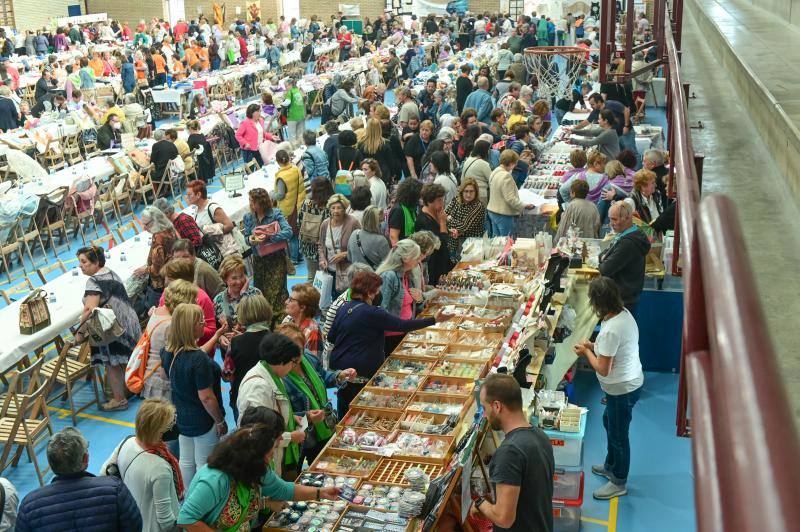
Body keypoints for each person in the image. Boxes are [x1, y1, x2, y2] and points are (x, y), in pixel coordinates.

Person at [177, 408, 340, 529]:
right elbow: (186, 518)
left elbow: (282, 489)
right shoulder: (215, 480)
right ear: (251, 458)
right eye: (269, 455)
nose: (269, 461)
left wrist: (320, 493)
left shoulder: (255, 469)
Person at [327, 271, 453, 416]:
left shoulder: (343, 308)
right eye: (378, 291)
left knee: (345, 412)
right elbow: (402, 325)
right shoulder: (373, 313)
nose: (379, 294)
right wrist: (433, 320)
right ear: (369, 293)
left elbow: (331, 337)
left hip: (341, 373)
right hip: (360, 373)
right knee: (360, 411)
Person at [574, 277, 644, 499]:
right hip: (624, 385)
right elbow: (611, 348)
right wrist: (594, 345)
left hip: (622, 390)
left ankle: (619, 481)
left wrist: (586, 352)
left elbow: (603, 368)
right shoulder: (622, 314)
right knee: (609, 423)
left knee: (618, 435)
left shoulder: (612, 328)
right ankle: (611, 465)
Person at [16, 427, 142, 532]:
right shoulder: (115, 490)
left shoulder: (29, 506)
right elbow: (135, 526)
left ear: (51, 463)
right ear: (85, 459)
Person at [472, 373, 554, 530]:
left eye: (484, 407)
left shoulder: (509, 453)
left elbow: (504, 519)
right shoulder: (540, 436)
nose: (484, 414)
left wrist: (480, 503)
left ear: (497, 406)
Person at [160, 303, 227, 486]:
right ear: (191, 327)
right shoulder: (199, 361)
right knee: (205, 465)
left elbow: (167, 373)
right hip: (203, 420)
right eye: (201, 322)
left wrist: (216, 335)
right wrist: (220, 421)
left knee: (187, 462)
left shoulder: (168, 352)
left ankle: (187, 497)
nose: (204, 324)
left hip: (182, 416)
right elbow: (206, 397)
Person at [76, 246, 141, 412]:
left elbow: (89, 310)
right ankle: (138, 387)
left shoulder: (93, 281)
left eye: (84, 262)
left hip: (112, 326)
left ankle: (119, 400)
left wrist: (80, 332)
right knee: (129, 358)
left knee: (111, 363)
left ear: (96, 262)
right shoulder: (110, 272)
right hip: (129, 321)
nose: (81, 266)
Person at [101, 398, 182, 531]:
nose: (173, 426)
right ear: (157, 431)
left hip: (134, 521)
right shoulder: (159, 467)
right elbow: (165, 520)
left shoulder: (127, 442)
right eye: (170, 424)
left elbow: (104, 474)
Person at [237, 333, 308, 479]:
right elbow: (256, 433)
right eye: (293, 362)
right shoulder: (258, 386)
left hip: (275, 453)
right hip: (262, 459)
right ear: (281, 361)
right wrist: (290, 437)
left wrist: (291, 417)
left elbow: (270, 412)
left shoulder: (273, 375)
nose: (294, 367)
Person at [140, 279, 197, 406]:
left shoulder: (156, 312)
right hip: (163, 383)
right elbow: (183, 354)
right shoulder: (172, 324)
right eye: (193, 300)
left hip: (151, 378)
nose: (195, 304)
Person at [244, 188, 292, 326]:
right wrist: (252, 240)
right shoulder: (248, 217)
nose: (251, 204)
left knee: (278, 293)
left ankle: (280, 324)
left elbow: (288, 232)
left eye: (254, 202)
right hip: (259, 261)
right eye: (250, 201)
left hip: (276, 259)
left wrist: (270, 237)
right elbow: (247, 237)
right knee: (261, 292)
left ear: (262, 202)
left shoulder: (275, 213)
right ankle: (266, 323)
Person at [224, 293, 273, 420]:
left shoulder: (235, 342)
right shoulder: (276, 339)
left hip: (242, 396)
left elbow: (227, 374)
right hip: (270, 396)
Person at [599, 202, 651, 310]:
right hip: (623, 295)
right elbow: (602, 255)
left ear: (627, 218)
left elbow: (605, 269)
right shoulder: (629, 233)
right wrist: (603, 258)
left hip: (621, 299)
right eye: (610, 219)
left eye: (614, 219)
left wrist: (604, 259)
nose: (611, 223)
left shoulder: (628, 243)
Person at [212, 255, 263, 349]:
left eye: (242, 276)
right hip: (232, 353)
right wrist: (220, 338)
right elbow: (213, 328)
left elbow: (264, 323)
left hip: (254, 348)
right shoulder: (218, 301)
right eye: (234, 278)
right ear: (225, 279)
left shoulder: (256, 294)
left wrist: (244, 294)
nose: (239, 282)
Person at [134, 205, 177, 312]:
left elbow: (157, 269)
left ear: (156, 220)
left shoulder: (158, 237)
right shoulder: (169, 228)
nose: (144, 228)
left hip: (161, 284)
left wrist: (144, 270)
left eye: (147, 225)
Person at [318, 194, 361, 300]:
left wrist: (345, 254)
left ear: (345, 208)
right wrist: (322, 259)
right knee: (331, 299)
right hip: (329, 270)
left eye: (339, 208)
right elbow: (321, 245)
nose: (336, 211)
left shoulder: (353, 223)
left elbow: (360, 246)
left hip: (347, 271)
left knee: (346, 299)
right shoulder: (325, 224)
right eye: (333, 208)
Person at [487, 150, 534, 237]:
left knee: (496, 241)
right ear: (511, 163)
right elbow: (510, 198)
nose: (516, 165)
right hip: (503, 213)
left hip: (492, 211)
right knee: (506, 241)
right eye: (515, 163)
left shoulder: (495, 171)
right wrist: (524, 205)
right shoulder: (506, 176)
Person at [273, 149, 306, 267]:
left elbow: (280, 195)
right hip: (298, 204)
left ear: (277, 161)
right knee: (297, 233)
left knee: (291, 235)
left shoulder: (281, 176)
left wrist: (272, 194)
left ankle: (293, 259)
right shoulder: (295, 169)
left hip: (288, 208)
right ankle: (299, 255)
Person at [414, 184, 451, 286]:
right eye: (439, 200)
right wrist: (443, 223)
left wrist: (449, 230)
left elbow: (441, 233)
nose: (442, 202)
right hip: (433, 266)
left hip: (443, 261)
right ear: (430, 201)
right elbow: (441, 244)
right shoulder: (424, 221)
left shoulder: (436, 212)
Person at [186, 179, 235, 253]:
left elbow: (229, 225)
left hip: (226, 251)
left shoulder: (212, 208)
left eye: (189, 195)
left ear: (198, 195)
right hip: (214, 251)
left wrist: (211, 233)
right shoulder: (196, 210)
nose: (187, 197)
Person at [446, 178, 487, 263]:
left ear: (476, 192)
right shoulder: (456, 199)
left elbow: (463, 226)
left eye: (471, 191)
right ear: (462, 191)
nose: (468, 194)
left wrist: (450, 219)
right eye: (466, 191)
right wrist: (452, 228)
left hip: (470, 245)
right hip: (453, 241)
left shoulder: (478, 206)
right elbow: (443, 215)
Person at [281, 283, 322, 357]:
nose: (286, 302)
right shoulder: (287, 319)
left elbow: (312, 363)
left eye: (291, 300)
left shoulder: (312, 332)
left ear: (302, 307)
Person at [348, 205, 390, 270]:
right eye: (381, 221)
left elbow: (349, 257)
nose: (383, 224)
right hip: (374, 278)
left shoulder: (354, 233)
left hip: (356, 277)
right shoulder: (381, 240)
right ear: (376, 222)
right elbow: (388, 265)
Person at [357, 118, 395, 185]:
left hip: (367, 175)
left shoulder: (361, 144)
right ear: (379, 128)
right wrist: (392, 175)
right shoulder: (385, 144)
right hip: (383, 175)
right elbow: (390, 162)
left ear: (367, 128)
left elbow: (360, 162)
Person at [387, 178, 423, 246]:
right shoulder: (398, 210)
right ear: (412, 196)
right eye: (419, 196)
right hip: (402, 252)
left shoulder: (411, 209)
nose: (420, 198)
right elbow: (393, 237)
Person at [236, 103, 271, 167]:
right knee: (250, 169)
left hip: (259, 148)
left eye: (260, 111)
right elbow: (238, 135)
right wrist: (245, 143)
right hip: (249, 151)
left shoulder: (261, 120)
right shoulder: (245, 123)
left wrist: (271, 137)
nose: (259, 113)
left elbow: (262, 133)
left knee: (262, 166)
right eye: (257, 111)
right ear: (252, 113)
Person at [462, 140, 492, 205]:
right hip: (480, 194)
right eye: (488, 149)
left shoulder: (468, 160)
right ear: (484, 150)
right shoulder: (484, 164)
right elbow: (491, 180)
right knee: (480, 214)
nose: (489, 151)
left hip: (468, 192)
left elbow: (462, 178)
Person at [150, 129, 180, 194]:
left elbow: (152, 161)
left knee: (149, 173)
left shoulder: (155, 146)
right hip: (174, 172)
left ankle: (156, 193)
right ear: (163, 136)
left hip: (164, 174)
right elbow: (177, 156)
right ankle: (166, 190)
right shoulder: (171, 144)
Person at [282, 77, 306, 141]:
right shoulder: (298, 90)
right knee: (301, 135)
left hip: (292, 117)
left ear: (290, 85)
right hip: (301, 115)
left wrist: (281, 103)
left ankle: (295, 149)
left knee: (292, 136)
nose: (285, 88)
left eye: (286, 86)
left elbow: (287, 102)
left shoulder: (290, 92)